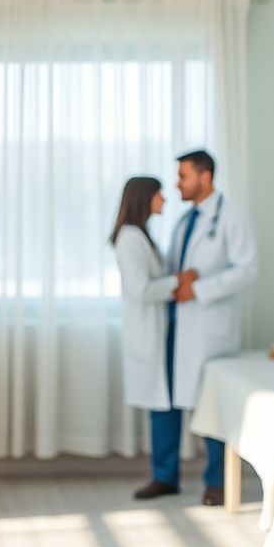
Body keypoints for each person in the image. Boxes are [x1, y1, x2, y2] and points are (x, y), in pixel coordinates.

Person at [133, 150, 258, 506]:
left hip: (207, 329)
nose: (177, 184)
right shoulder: (184, 221)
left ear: (205, 177)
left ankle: (217, 482)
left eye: (183, 176)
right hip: (173, 324)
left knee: (212, 405)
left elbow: (247, 269)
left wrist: (198, 290)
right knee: (165, 401)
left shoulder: (233, 216)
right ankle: (164, 475)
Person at [111, 176, 196, 413]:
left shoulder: (141, 235)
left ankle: (166, 452)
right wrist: (177, 281)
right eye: (159, 193)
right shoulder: (130, 238)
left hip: (160, 328)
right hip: (148, 331)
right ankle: (163, 453)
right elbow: (141, 290)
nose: (164, 199)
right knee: (161, 406)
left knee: (165, 402)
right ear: (145, 198)